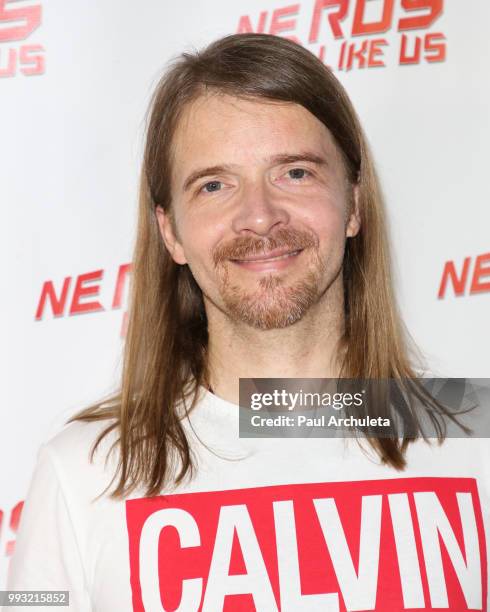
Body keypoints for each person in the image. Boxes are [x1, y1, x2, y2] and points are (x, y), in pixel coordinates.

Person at [6, 33, 488, 611]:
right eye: (214, 185)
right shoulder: (82, 472)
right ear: (171, 233)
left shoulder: (475, 436)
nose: (258, 216)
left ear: (354, 204)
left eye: (295, 173)